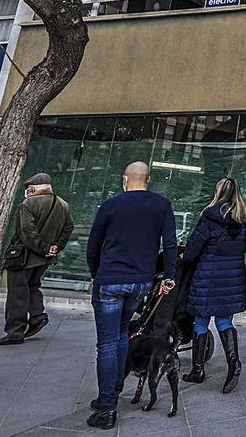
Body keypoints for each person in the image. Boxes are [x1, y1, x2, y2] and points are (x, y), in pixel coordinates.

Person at [84, 161, 178, 430]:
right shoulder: (161, 205)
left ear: (125, 179)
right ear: (148, 179)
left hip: (110, 280)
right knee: (123, 334)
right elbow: (170, 243)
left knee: (107, 344)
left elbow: (94, 244)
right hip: (140, 282)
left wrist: (96, 273)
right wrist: (168, 276)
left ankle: (106, 408)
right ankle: (111, 393)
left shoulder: (110, 205)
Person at [181, 177, 246, 394]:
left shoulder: (209, 217)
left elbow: (193, 248)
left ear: (218, 192)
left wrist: (185, 258)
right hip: (233, 277)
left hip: (208, 276)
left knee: (201, 322)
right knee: (224, 320)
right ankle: (234, 364)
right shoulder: (244, 218)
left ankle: (198, 370)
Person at [0, 173, 74, 346]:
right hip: (45, 258)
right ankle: (37, 315)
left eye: (28, 189)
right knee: (33, 286)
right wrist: (55, 247)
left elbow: (27, 231)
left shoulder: (27, 204)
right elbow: (68, 227)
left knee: (17, 293)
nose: (27, 193)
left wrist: (43, 248)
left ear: (33, 189)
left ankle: (15, 331)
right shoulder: (62, 204)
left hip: (25, 256)